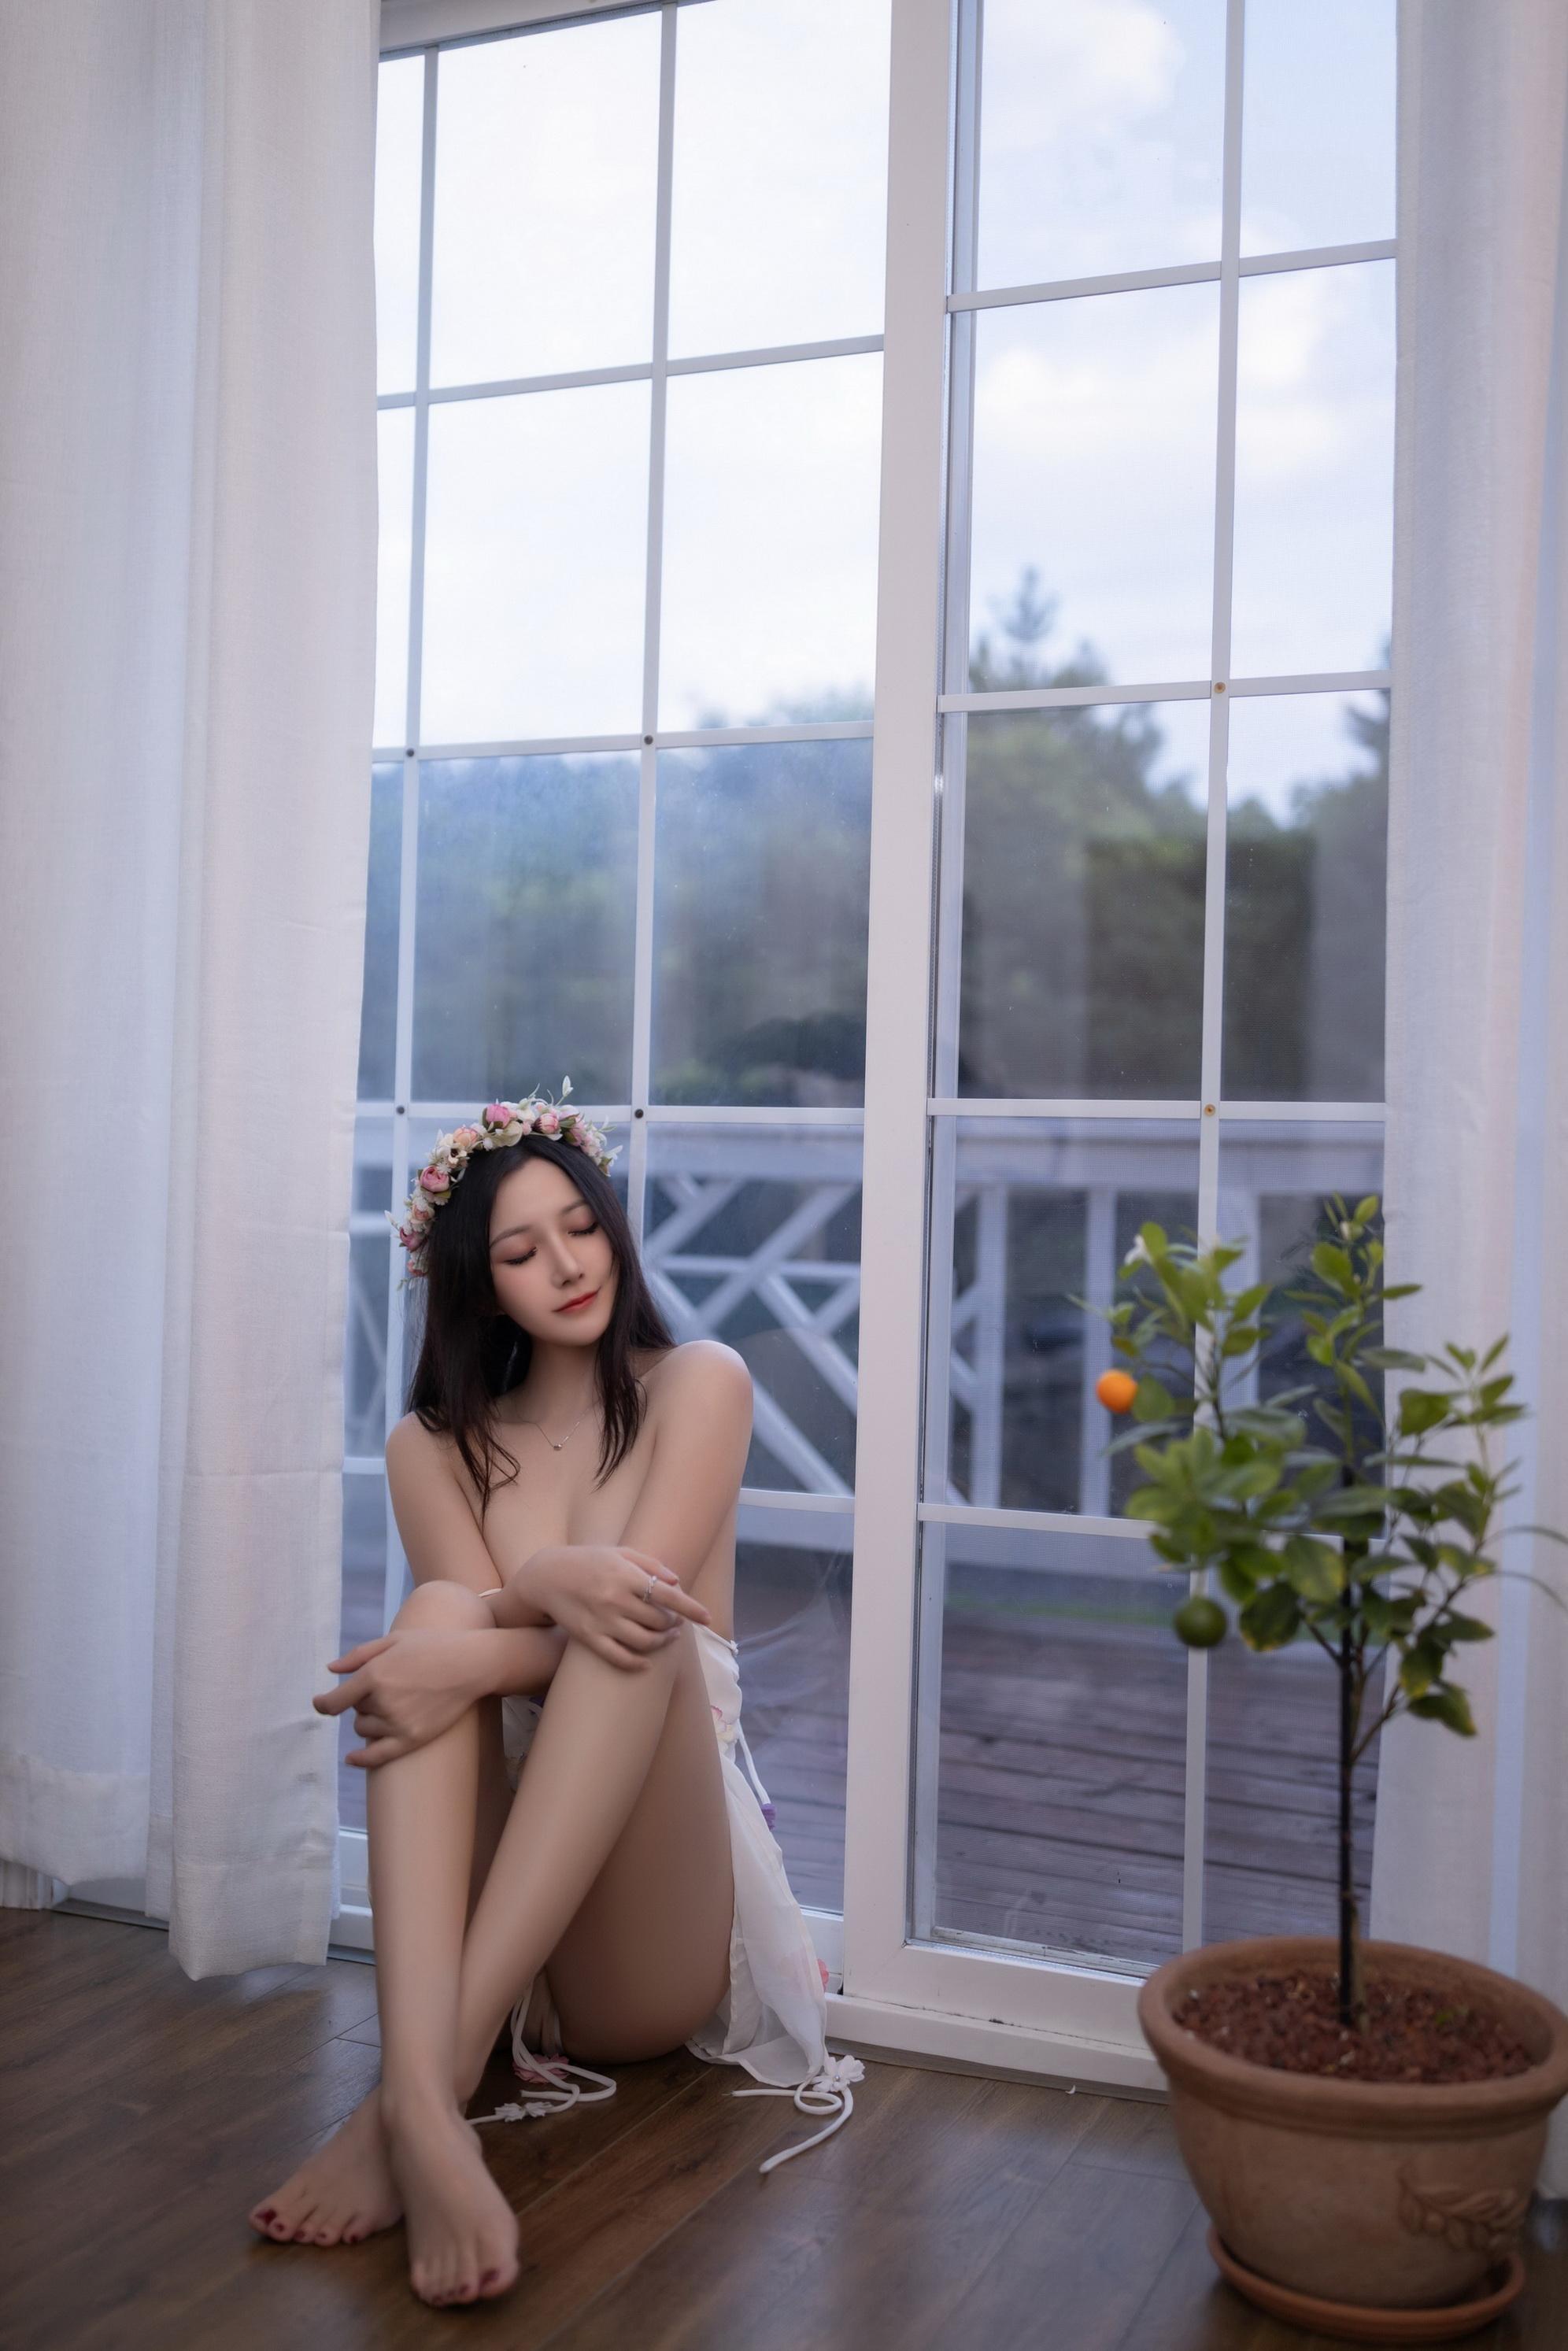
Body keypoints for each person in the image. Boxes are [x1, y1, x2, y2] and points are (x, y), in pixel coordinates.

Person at [246, 1085, 860, 2308]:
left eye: (581, 1228)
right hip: (502, 1934)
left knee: (629, 1624)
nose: (570, 1266)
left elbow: (629, 1626)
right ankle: (432, 2108)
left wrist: (526, 1594)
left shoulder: (701, 1382)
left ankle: (411, 2097)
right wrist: (516, 1600)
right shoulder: (431, 1447)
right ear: (479, 1288)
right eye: (522, 1252)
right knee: (439, 1612)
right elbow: (467, 1645)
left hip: (644, 1943)